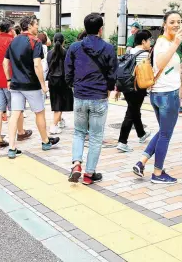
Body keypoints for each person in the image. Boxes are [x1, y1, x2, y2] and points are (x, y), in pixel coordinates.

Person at [132, 11, 182, 184]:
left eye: (179, 21)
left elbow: (166, 66)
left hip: (159, 94)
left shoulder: (166, 42)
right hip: (167, 95)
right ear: (164, 24)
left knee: (163, 131)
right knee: (166, 134)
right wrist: (177, 43)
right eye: (172, 21)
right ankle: (157, 173)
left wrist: (180, 66)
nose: (176, 25)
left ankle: (141, 162)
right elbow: (160, 63)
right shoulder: (164, 43)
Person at [65, 13, 117, 185]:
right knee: (95, 136)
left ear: (85, 28)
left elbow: (68, 71)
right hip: (99, 97)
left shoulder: (74, 47)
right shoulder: (109, 48)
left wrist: (74, 85)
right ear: (101, 29)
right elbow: (112, 73)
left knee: (79, 132)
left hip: (80, 95)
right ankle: (89, 174)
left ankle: (76, 164)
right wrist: (108, 89)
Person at [3, 15, 60, 159]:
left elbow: (5, 62)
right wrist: (43, 85)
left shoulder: (13, 41)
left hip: (16, 84)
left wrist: (9, 79)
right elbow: (37, 64)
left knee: (14, 114)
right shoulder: (35, 42)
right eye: (36, 24)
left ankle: (12, 148)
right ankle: (45, 141)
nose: (37, 27)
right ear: (29, 26)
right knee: (39, 113)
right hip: (32, 85)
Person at [0, 18, 32, 149]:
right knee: (16, 108)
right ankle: (20, 132)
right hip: (10, 79)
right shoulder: (12, 41)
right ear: (10, 30)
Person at [116, 30, 152, 153]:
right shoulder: (144, 54)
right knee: (131, 112)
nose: (150, 42)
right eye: (149, 40)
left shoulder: (129, 52)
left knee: (134, 109)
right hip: (138, 87)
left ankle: (141, 134)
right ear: (143, 41)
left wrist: (118, 88)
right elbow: (147, 72)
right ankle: (122, 141)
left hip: (126, 87)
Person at [47, 33, 73, 134]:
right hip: (63, 80)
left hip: (52, 80)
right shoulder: (66, 52)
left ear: (53, 41)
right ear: (64, 41)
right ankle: (53, 126)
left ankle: (60, 120)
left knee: (56, 102)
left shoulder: (49, 53)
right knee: (60, 103)